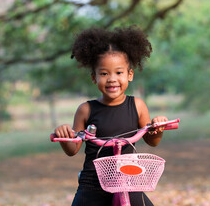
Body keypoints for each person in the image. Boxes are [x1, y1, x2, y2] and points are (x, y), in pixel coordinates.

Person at [54, 26, 168, 206]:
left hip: (128, 180)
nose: (112, 79)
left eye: (119, 72)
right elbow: (72, 149)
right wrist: (64, 135)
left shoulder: (137, 106)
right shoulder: (86, 109)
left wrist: (158, 127)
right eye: (104, 73)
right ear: (94, 77)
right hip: (93, 183)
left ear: (130, 75)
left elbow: (152, 140)